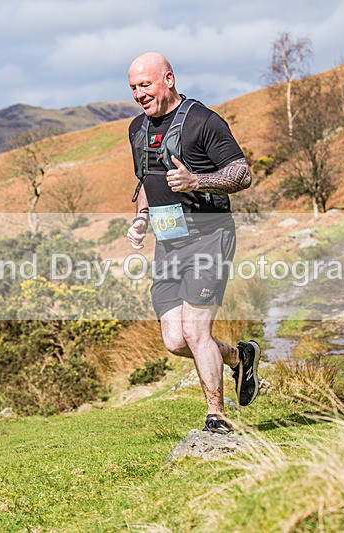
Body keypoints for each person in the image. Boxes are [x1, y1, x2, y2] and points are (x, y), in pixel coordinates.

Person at [125, 52, 261, 434]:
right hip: (169, 242)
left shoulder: (203, 121)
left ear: (168, 79)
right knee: (174, 340)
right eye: (133, 87)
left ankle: (216, 416)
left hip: (209, 236)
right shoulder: (137, 129)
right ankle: (239, 358)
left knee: (196, 331)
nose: (139, 94)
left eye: (145, 85)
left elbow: (242, 174)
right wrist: (141, 218)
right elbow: (146, 181)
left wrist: (196, 181)